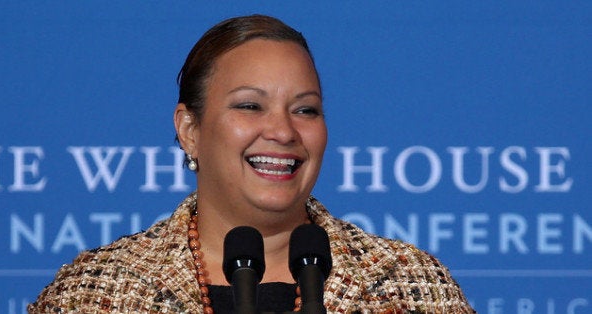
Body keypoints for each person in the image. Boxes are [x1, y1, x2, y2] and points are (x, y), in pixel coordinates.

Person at [29, 14, 475, 313]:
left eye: (305, 110)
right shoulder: (97, 292)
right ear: (189, 129)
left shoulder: (406, 286)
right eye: (249, 106)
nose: (283, 131)